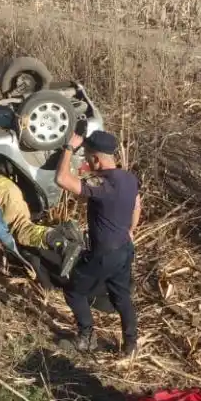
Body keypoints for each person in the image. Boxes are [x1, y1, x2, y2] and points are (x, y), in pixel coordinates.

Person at [54, 130, 141, 358]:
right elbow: (137, 205)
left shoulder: (103, 183)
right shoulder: (129, 178)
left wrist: (68, 148)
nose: (86, 161)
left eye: (87, 157)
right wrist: (130, 230)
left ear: (96, 159)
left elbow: (62, 179)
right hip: (124, 248)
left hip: (105, 253)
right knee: (121, 296)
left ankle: (87, 337)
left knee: (73, 290)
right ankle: (131, 344)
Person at [0, 156, 83, 274]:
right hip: (6, 188)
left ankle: (61, 244)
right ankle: (67, 231)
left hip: (2, 193)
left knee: (21, 230)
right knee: (22, 227)